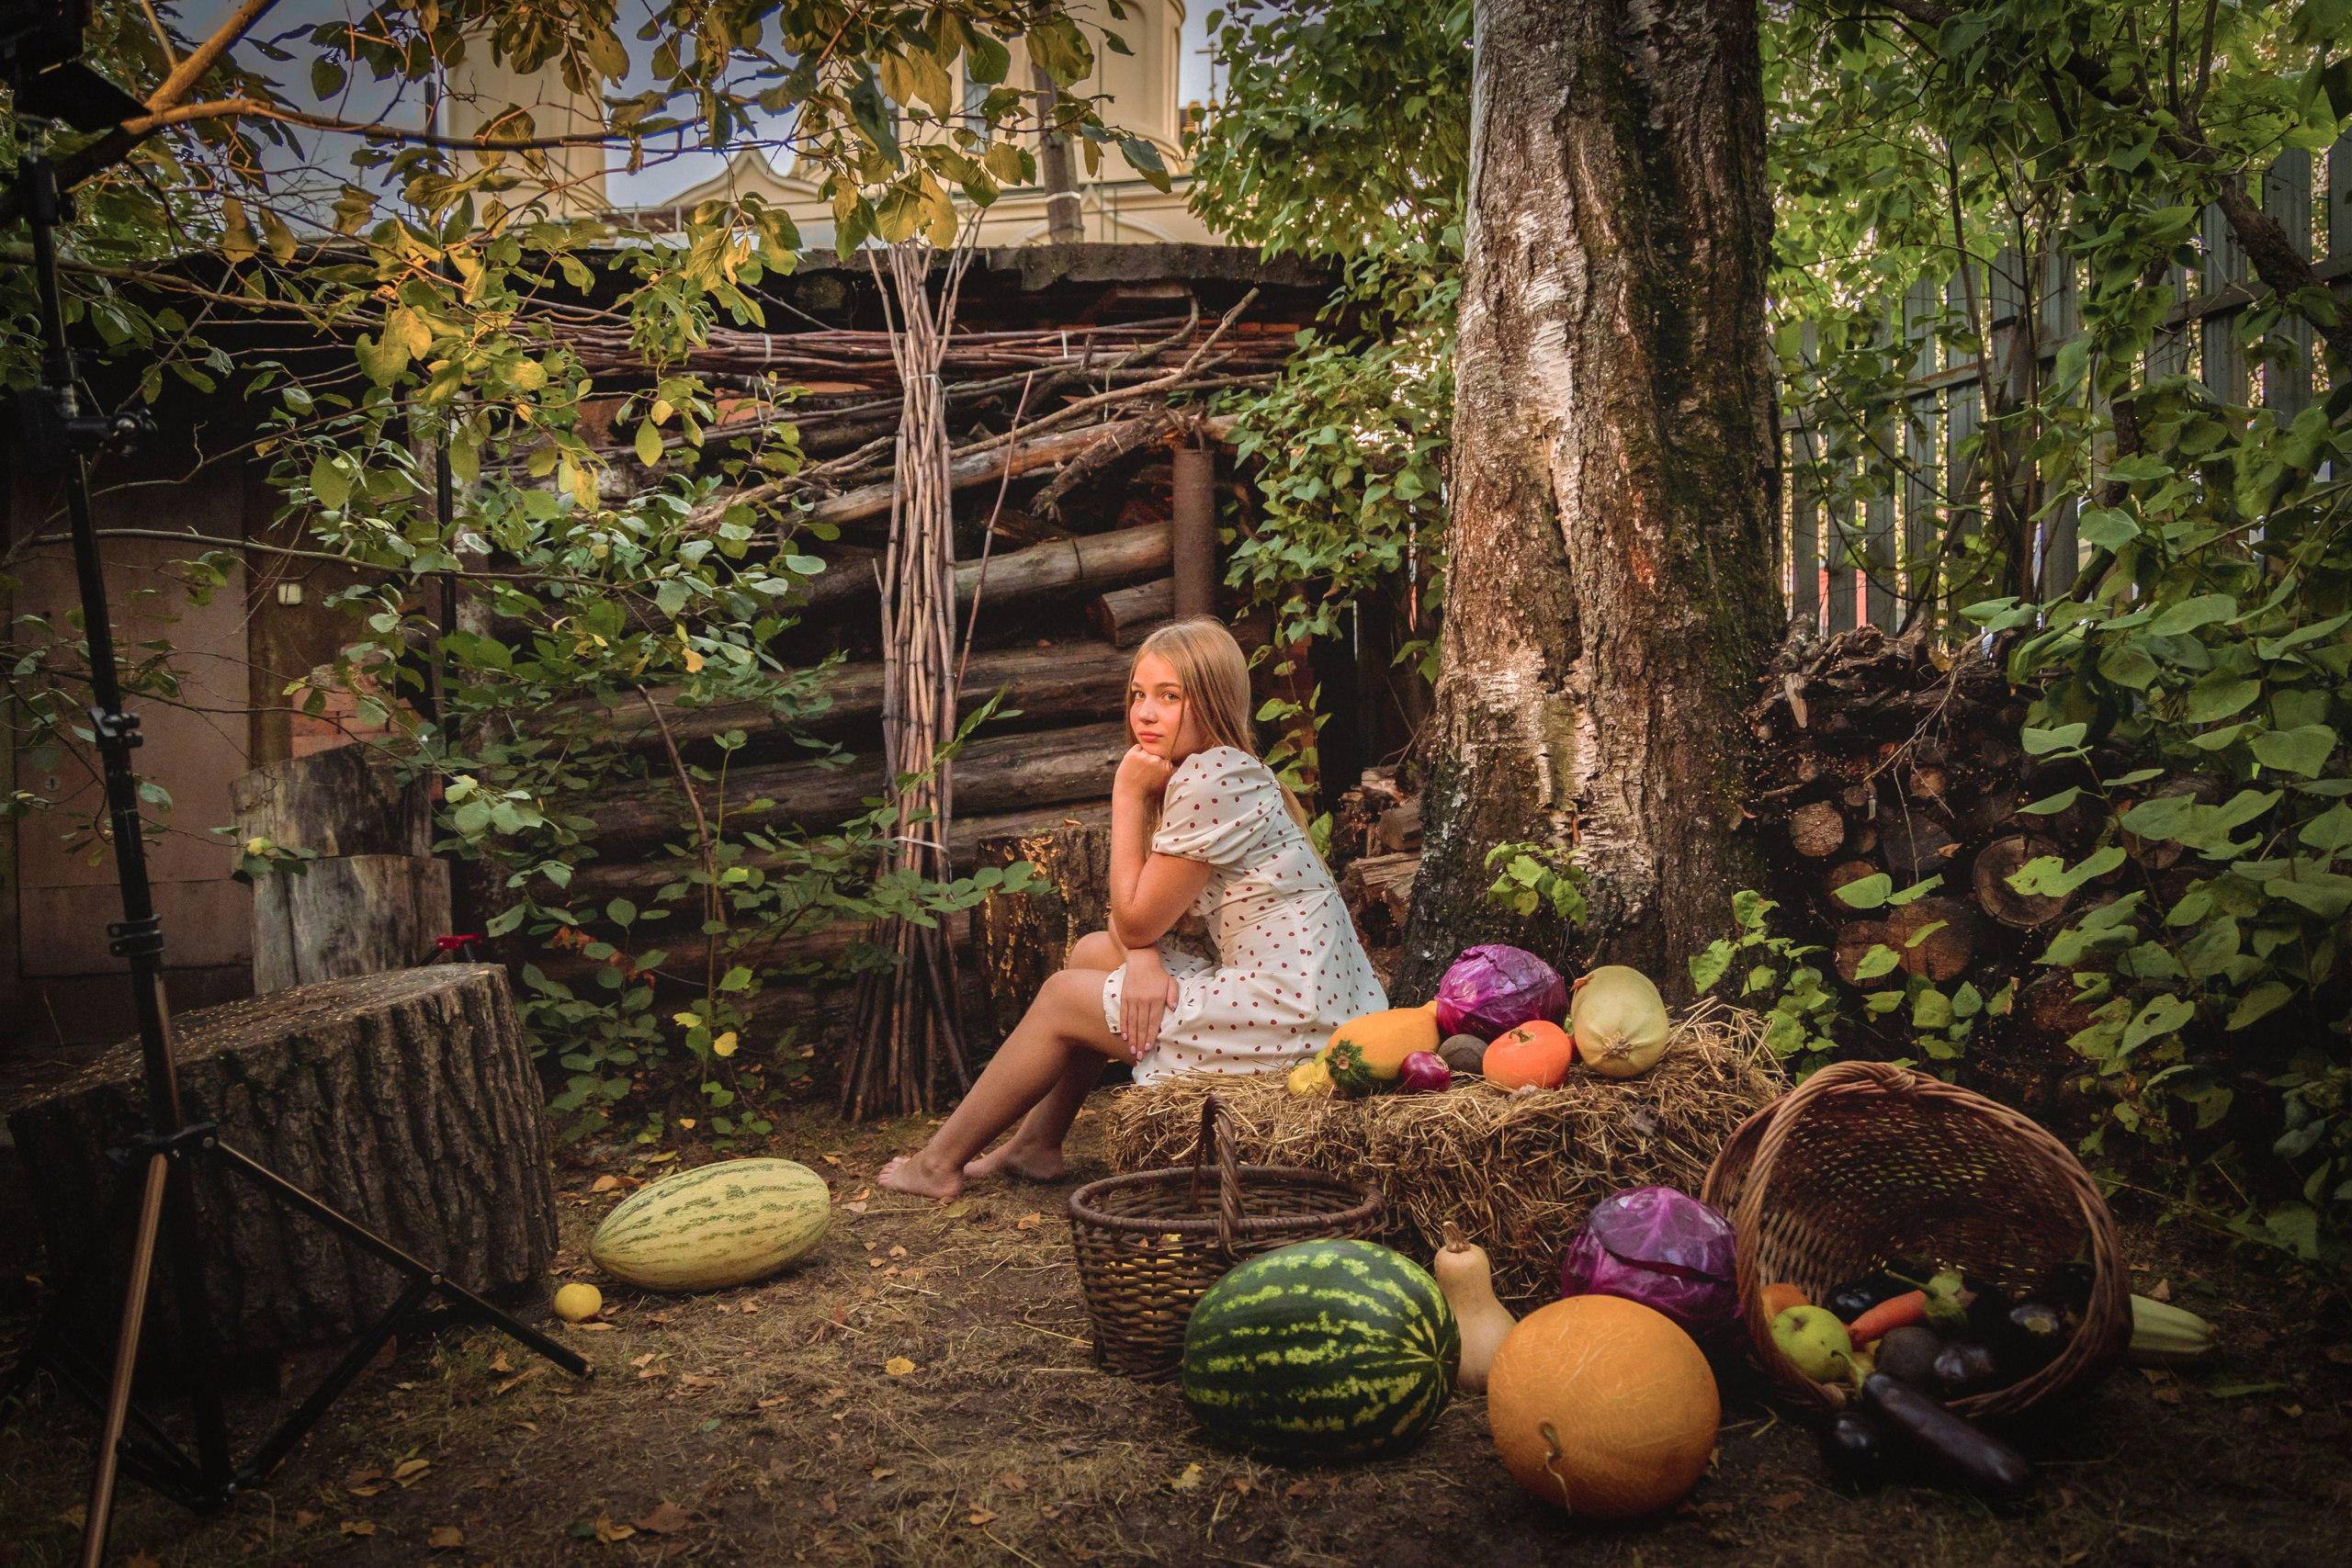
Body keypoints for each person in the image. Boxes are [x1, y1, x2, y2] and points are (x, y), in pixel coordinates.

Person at [878, 617, 1388, 1198]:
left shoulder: (1212, 779)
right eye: (1139, 694)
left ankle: (937, 1163)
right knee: (1094, 952)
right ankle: (1035, 1144)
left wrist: (1126, 796)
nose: (1145, 713)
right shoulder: (1228, 770)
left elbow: (1138, 918)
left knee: (1062, 997)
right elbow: (1138, 925)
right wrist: (1141, 958)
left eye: (1170, 697)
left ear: (1215, 701)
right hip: (1317, 1004)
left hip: (1295, 1018)